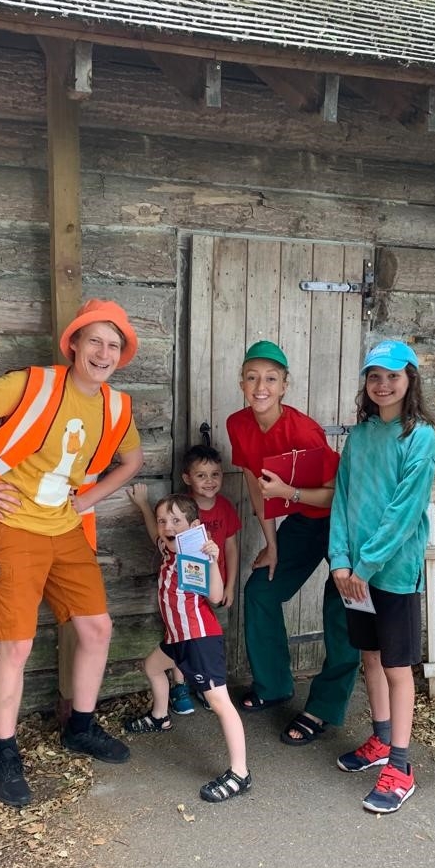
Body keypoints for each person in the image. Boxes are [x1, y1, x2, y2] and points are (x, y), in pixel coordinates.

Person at [0, 299, 144, 808]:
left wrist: (89, 497)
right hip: (12, 526)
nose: (103, 352)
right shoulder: (35, 384)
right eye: (94, 340)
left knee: (96, 628)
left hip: (66, 528)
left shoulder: (116, 405)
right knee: (17, 645)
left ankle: (81, 728)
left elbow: (131, 461)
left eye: (113, 345)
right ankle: (3, 752)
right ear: (74, 344)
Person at [225, 340, 361, 745]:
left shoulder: (303, 430)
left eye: (270, 378)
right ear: (242, 383)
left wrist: (291, 492)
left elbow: (337, 493)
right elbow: (254, 483)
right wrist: (272, 543)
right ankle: (274, 685)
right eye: (252, 378)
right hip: (304, 522)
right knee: (261, 591)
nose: (260, 386)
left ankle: (322, 708)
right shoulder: (238, 424)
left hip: (343, 522)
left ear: (285, 385)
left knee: (341, 611)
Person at [329, 339, 435, 814]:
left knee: (396, 667)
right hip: (354, 573)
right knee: (369, 659)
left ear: (410, 379)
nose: (383, 384)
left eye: (393, 375)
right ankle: (379, 740)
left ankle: (402, 765)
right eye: (374, 376)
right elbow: (342, 498)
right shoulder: (361, 435)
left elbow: (404, 513)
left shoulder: (421, 437)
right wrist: (339, 561)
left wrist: (366, 564)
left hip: (392, 573)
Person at [123, 494, 252, 803]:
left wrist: (212, 561)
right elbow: (153, 532)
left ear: (194, 527)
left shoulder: (194, 557)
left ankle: (240, 773)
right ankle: (159, 717)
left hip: (198, 640)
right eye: (164, 520)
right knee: (152, 667)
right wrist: (143, 506)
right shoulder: (168, 548)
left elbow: (217, 596)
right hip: (176, 637)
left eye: (176, 521)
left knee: (220, 702)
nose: (167, 526)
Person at [126, 443, 241, 713]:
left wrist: (230, 584)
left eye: (215, 474)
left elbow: (232, 546)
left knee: (200, 634)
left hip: (214, 583)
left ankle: (206, 686)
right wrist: (143, 505)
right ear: (188, 478)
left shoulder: (223, 507)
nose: (209, 481)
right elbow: (159, 535)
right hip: (182, 587)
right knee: (179, 631)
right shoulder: (177, 514)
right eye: (201, 475)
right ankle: (181, 688)